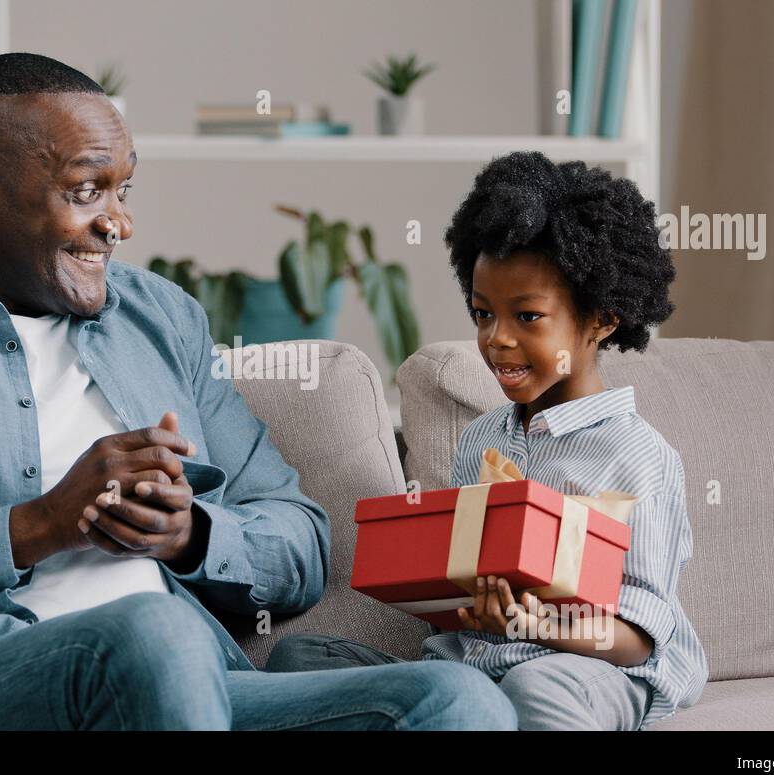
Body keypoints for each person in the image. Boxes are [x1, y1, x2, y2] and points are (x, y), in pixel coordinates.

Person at [0, 52, 515, 731]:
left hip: (191, 693)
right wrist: (39, 525)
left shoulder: (160, 318)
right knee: (153, 636)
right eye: (86, 191)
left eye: (124, 189)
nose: (120, 223)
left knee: (457, 702)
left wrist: (188, 534)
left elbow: (299, 537)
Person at [267, 152, 709, 730]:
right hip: (477, 670)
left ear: (600, 319)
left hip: (585, 670)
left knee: (536, 685)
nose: (495, 339)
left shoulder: (636, 456)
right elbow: (454, 596)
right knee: (300, 659)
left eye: (527, 317)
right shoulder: (480, 440)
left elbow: (638, 640)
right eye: (482, 314)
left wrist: (535, 626)